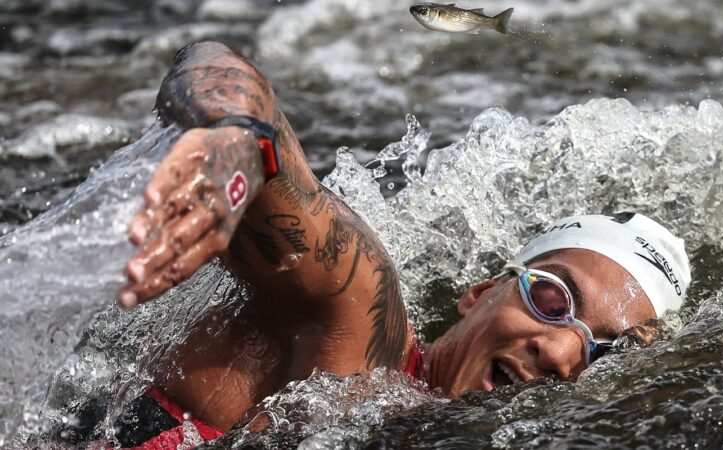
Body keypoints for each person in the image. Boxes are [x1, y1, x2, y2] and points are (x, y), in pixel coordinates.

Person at [112, 41, 691, 448]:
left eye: (603, 351)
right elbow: (223, 67)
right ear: (481, 291)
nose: (564, 355)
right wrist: (232, 132)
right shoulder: (358, 322)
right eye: (554, 299)